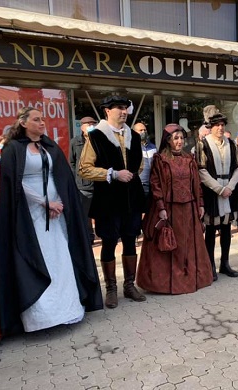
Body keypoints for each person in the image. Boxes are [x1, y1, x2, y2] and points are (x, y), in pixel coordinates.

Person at [0, 107, 103, 335]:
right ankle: (42, 317)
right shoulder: (12, 149)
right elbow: (15, 183)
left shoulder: (49, 146)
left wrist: (59, 202)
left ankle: (67, 310)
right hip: (30, 216)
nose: (42, 122)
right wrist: (44, 202)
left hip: (56, 212)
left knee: (60, 256)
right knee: (40, 257)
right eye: (37, 119)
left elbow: (61, 176)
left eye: (43, 118)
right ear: (24, 123)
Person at [79, 95, 146, 309]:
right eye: (119, 108)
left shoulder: (134, 136)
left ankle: (129, 285)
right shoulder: (96, 136)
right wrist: (114, 174)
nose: (124, 111)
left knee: (130, 240)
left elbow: (140, 166)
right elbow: (84, 168)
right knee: (108, 242)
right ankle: (110, 288)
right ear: (107, 111)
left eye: (126, 107)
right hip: (108, 199)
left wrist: (130, 175)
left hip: (131, 198)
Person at [136, 124, 212, 294]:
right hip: (169, 209)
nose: (179, 141)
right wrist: (161, 207)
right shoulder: (160, 159)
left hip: (189, 208)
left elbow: (196, 184)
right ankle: (166, 283)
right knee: (170, 244)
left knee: (188, 244)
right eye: (175, 138)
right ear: (168, 140)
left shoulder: (189, 159)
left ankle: (189, 278)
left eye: (181, 138)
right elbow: (155, 185)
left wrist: (200, 204)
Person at [196, 110, 238, 281]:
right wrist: (219, 189)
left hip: (229, 190)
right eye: (217, 125)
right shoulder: (203, 144)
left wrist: (229, 186)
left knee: (226, 228)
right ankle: (210, 266)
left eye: (222, 125)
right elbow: (201, 170)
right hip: (212, 192)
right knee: (210, 230)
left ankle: (225, 263)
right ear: (210, 127)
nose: (220, 128)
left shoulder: (231, 144)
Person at [69, 116, 98, 243]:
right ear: (82, 127)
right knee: (85, 214)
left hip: (99, 181)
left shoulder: (99, 140)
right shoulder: (75, 142)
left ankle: (103, 233)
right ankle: (88, 236)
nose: (91, 126)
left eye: (93, 124)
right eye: (88, 124)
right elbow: (72, 162)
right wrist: (78, 178)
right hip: (83, 184)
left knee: (100, 211)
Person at [133, 121, 157, 206]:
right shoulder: (132, 147)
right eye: (141, 130)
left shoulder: (153, 147)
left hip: (152, 186)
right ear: (134, 132)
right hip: (140, 186)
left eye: (145, 130)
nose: (144, 132)